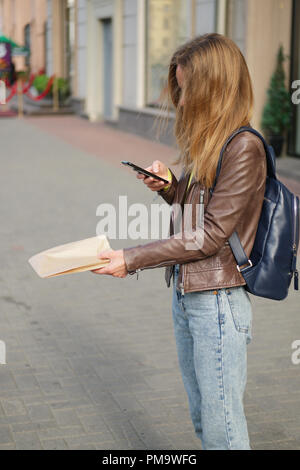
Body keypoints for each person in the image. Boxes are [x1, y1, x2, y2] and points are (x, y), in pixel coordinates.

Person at [92, 33, 267, 450]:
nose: (182, 102)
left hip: (218, 302)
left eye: (187, 89)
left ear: (213, 87)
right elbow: (200, 213)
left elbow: (208, 236)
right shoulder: (215, 142)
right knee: (205, 420)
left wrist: (130, 258)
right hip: (189, 295)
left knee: (223, 426)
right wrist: (169, 186)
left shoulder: (244, 147)